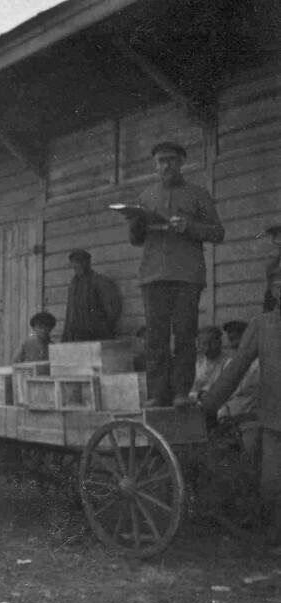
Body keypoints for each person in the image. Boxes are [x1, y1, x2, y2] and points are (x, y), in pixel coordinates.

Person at [128, 141, 224, 408]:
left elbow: (218, 232)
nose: (166, 165)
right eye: (161, 161)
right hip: (153, 276)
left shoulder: (198, 194)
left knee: (184, 334)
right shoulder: (146, 196)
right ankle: (158, 394)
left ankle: (182, 392)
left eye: (171, 160)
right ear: (155, 165)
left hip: (186, 276)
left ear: (181, 162)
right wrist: (136, 224)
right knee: (155, 337)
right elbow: (135, 240)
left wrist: (189, 226)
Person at [198, 267, 281, 544]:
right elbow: (235, 370)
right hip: (274, 421)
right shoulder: (262, 324)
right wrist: (208, 405)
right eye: (278, 283)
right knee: (270, 485)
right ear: (272, 290)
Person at [61, 249, 122, 342]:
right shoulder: (73, 285)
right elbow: (70, 312)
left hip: (97, 334)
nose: (78, 265)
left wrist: (105, 328)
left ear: (88, 262)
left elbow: (113, 309)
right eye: (75, 262)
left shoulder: (99, 281)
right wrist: (66, 336)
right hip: (77, 335)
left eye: (81, 261)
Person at [217, 320, 259, 419]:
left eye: (237, 336)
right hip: (228, 415)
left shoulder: (258, 363)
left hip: (249, 415)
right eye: (230, 336)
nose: (231, 337)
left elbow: (249, 391)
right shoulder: (229, 363)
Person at [189, 326, 227, 400]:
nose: (208, 348)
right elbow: (193, 390)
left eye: (211, 343)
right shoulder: (198, 364)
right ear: (199, 345)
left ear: (219, 342)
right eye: (204, 343)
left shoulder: (227, 362)